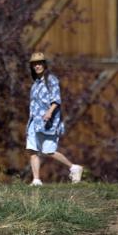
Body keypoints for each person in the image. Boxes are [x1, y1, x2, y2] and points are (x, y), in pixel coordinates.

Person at [26, 52, 83, 186]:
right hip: (34, 122)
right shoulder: (35, 84)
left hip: (47, 122)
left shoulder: (51, 80)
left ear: (44, 64)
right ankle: (36, 180)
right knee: (32, 150)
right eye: (35, 64)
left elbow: (56, 100)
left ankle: (73, 167)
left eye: (40, 63)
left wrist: (49, 113)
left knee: (48, 151)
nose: (37, 66)